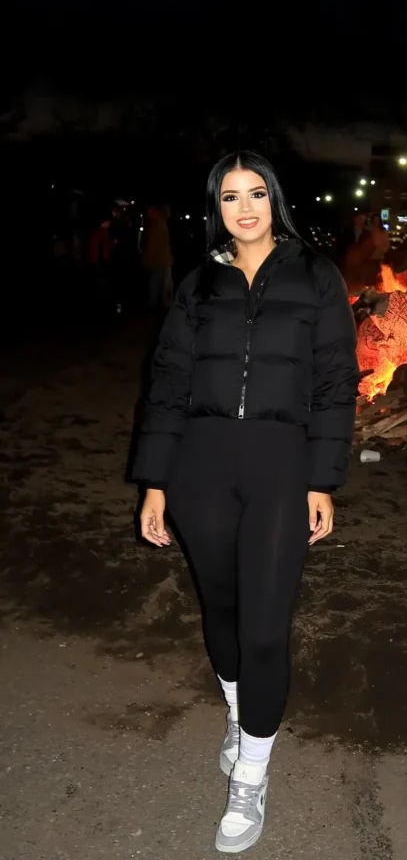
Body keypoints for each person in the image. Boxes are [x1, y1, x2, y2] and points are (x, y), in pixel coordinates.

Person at [133, 151, 359, 853]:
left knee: (264, 627)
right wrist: (155, 481)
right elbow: (167, 382)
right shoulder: (199, 284)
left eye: (256, 193)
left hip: (279, 465)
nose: (246, 208)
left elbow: (333, 382)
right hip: (200, 465)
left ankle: (251, 778)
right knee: (222, 609)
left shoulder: (317, 277)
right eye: (231, 197)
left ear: (275, 199)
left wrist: (321, 478)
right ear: (216, 208)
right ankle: (240, 713)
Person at [141, 204, 174, 311]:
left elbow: (154, 246)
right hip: (163, 261)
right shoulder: (162, 223)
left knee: (156, 285)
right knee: (161, 285)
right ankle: (162, 307)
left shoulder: (157, 225)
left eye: (150, 211)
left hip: (158, 262)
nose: (148, 214)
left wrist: (148, 260)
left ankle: (154, 309)